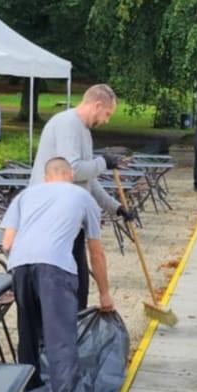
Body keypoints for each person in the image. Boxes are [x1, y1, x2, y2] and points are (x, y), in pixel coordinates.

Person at [2, 157, 114, 392]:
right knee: (61, 339)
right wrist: (104, 293)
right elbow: (96, 251)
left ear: (46, 176)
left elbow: (7, 243)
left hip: (19, 265)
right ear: (71, 174)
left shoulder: (24, 196)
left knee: (28, 335)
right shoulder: (82, 196)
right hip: (55, 267)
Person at [27, 83, 136, 303]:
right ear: (97, 105)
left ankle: (73, 323)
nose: (106, 121)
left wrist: (116, 208)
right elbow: (73, 169)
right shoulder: (68, 124)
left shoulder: (84, 131)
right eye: (107, 114)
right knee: (67, 291)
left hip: (68, 218)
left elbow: (88, 180)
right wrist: (103, 162)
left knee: (79, 289)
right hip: (50, 219)